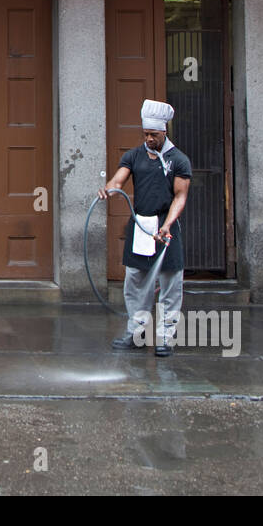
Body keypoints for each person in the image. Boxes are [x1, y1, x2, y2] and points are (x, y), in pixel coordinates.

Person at [98, 99, 192, 357]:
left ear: (164, 132)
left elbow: (180, 196)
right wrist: (109, 189)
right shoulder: (134, 155)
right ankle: (137, 333)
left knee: (170, 283)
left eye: (153, 135)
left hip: (165, 226)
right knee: (135, 282)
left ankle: (165, 337)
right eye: (145, 134)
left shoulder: (179, 160)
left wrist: (168, 224)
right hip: (140, 224)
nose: (149, 139)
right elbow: (119, 178)